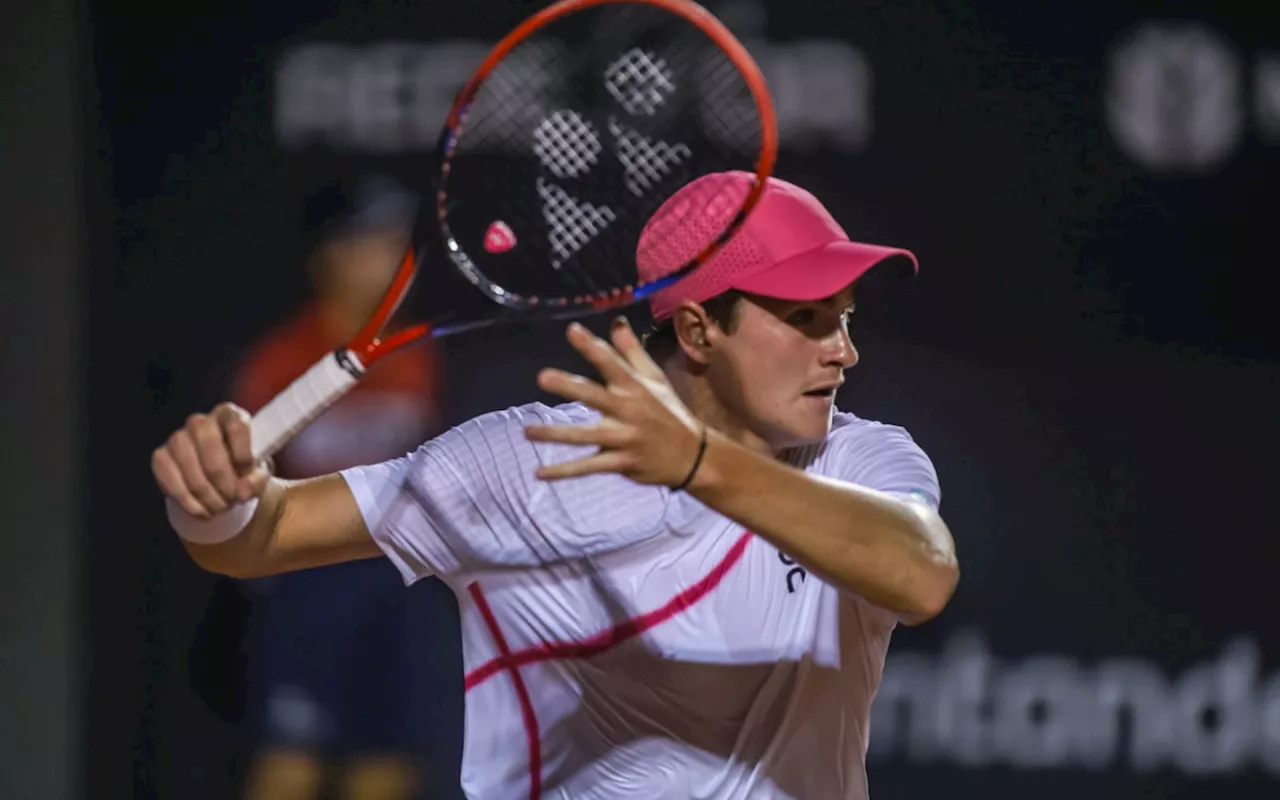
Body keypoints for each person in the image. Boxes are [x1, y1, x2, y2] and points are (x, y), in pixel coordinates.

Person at [153, 170, 959, 799]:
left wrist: (698, 464)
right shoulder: (522, 464)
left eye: (846, 318)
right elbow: (262, 537)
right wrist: (213, 502)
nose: (843, 351)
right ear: (698, 328)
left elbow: (921, 573)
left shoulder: (864, 462)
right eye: (809, 319)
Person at [224, 174, 446, 800]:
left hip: (397, 582)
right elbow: (238, 492)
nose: (391, 255)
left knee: (389, 766)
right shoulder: (279, 361)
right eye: (373, 240)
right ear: (330, 254)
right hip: (307, 588)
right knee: (290, 764)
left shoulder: (419, 355)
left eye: (397, 240)